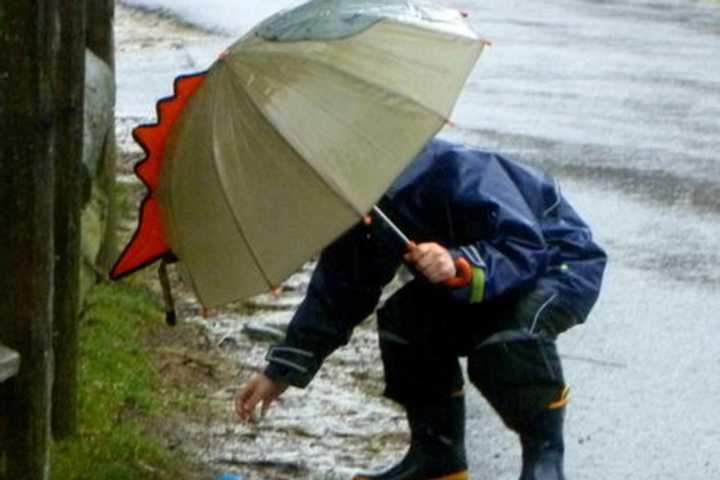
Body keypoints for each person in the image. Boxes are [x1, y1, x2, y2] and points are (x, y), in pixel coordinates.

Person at [235, 139, 607, 480]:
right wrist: (281, 371)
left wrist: (459, 263)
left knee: (503, 342)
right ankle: (436, 459)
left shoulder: (452, 172)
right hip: (476, 281)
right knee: (405, 321)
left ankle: (545, 456)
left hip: (555, 264)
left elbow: (524, 246)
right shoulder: (363, 210)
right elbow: (338, 295)